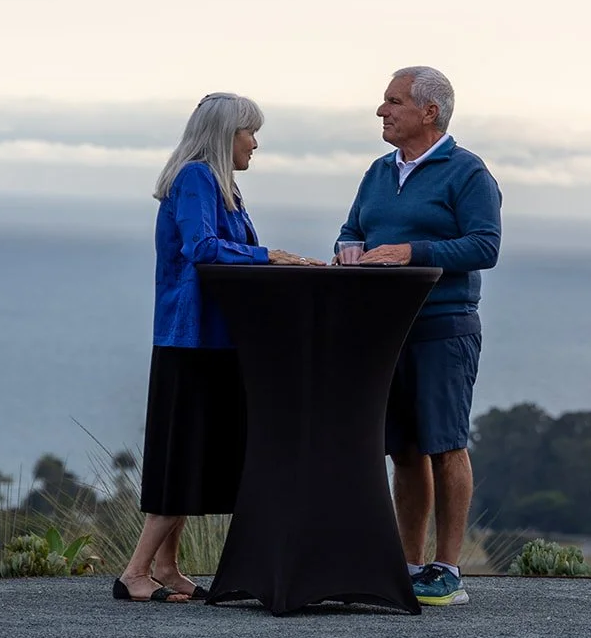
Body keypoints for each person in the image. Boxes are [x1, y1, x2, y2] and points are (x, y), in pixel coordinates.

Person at [115, 93, 318, 603]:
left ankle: (166, 566)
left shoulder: (219, 184)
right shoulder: (197, 178)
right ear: (226, 136)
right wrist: (269, 256)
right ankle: (134, 572)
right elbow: (202, 248)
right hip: (193, 340)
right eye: (250, 132)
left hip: (212, 339)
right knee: (183, 457)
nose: (255, 142)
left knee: (193, 452)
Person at [336, 66, 501, 606]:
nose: (382, 111)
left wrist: (412, 252)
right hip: (384, 330)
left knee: (445, 445)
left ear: (429, 112)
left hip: (442, 328)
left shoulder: (468, 173)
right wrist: (349, 248)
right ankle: (407, 565)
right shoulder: (379, 172)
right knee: (403, 450)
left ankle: (448, 568)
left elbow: (485, 246)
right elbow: (353, 228)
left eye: (393, 101)